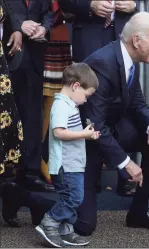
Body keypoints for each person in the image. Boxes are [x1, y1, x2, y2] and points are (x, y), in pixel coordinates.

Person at [74, 12, 149, 236]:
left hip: (111, 130)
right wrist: (126, 163)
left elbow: (137, 103)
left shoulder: (129, 58)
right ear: (137, 40)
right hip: (85, 142)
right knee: (84, 226)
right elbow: (94, 125)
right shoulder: (102, 62)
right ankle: (25, 197)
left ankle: (138, 213)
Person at [59, 0, 140, 197]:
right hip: (89, 34)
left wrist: (133, 4)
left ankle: (124, 174)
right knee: (88, 104)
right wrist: (89, 5)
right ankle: (89, 177)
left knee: (122, 102)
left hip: (122, 32)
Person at [0, 0, 55, 227]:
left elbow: (49, 14)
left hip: (33, 56)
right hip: (9, 55)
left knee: (32, 118)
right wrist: (19, 26)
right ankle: (15, 188)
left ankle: (28, 174)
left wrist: (45, 29)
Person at [35, 63, 100, 248]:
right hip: (66, 164)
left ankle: (65, 230)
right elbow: (59, 133)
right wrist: (84, 135)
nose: (86, 100)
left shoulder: (69, 105)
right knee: (73, 198)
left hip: (73, 163)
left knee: (71, 197)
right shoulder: (62, 106)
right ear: (76, 86)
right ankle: (49, 223)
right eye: (87, 96)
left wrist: (88, 134)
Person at [41, 0, 73, 186]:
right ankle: (37, 159)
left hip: (60, 34)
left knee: (55, 99)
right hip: (37, 32)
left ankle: (46, 159)